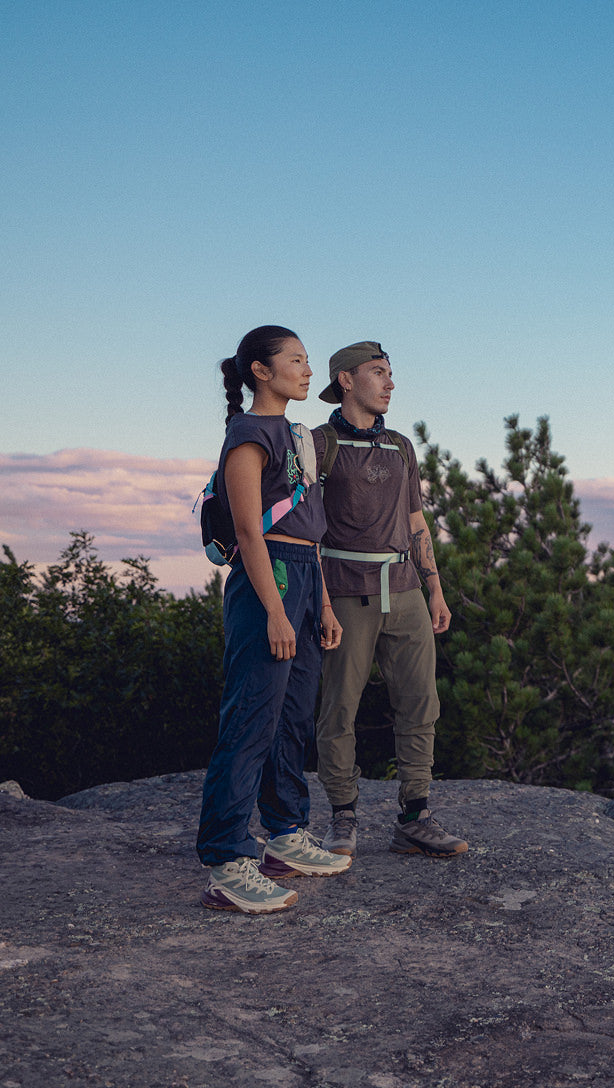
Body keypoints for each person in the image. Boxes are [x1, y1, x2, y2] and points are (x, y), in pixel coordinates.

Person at [197, 325, 352, 915]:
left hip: (306, 578)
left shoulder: (296, 435)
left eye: (308, 360)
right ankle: (226, 860)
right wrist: (273, 610)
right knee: (251, 718)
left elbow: (311, 526)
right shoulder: (248, 434)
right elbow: (246, 530)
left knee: (292, 717)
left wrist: (325, 605)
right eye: (296, 360)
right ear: (261, 371)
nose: (308, 371)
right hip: (270, 580)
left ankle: (285, 837)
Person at [312, 341, 468, 859]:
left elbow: (415, 520)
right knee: (339, 709)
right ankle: (342, 815)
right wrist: (323, 604)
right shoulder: (318, 444)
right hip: (346, 594)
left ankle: (415, 816)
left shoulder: (401, 445)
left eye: (390, 373)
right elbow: (306, 531)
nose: (390, 383)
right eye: (378, 372)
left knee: (421, 702)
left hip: (405, 593)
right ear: (347, 380)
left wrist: (435, 587)